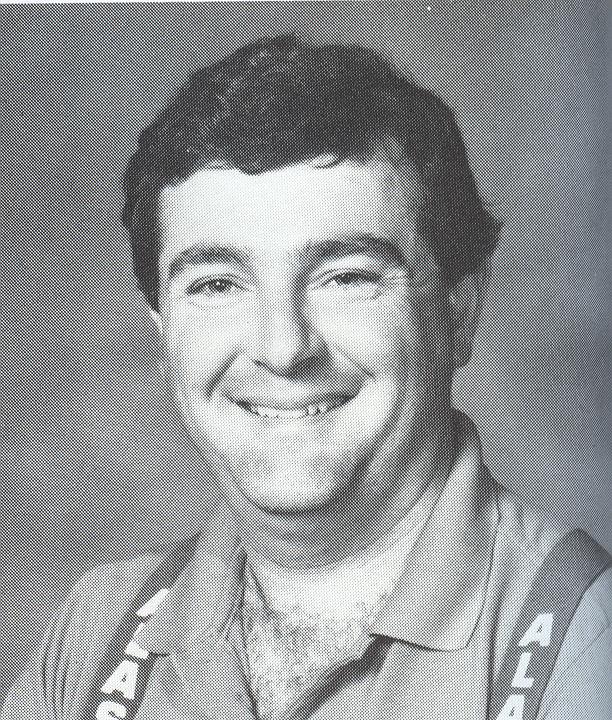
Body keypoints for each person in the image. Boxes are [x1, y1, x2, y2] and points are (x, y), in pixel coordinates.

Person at [3, 33, 611, 720]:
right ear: (163, 326)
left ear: (459, 309)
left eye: (345, 277)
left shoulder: (582, 643)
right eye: (217, 284)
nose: (283, 348)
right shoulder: (94, 639)